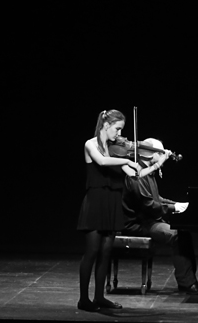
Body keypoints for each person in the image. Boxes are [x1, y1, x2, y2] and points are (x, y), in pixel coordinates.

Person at [121, 138, 198, 294]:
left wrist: (178, 204)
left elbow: (157, 199)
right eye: (160, 153)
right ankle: (187, 284)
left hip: (150, 221)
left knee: (184, 232)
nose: (163, 157)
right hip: (139, 224)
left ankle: (189, 280)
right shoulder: (136, 175)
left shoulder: (149, 173)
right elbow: (148, 205)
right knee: (175, 235)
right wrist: (174, 207)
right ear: (150, 154)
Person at [76, 109, 142, 312]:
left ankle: (99, 297)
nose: (120, 134)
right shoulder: (91, 144)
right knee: (92, 251)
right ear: (106, 125)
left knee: (105, 253)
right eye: (117, 129)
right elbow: (102, 161)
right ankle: (84, 299)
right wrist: (127, 160)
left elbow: (133, 174)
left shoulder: (115, 149)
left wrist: (153, 164)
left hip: (112, 202)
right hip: (96, 202)